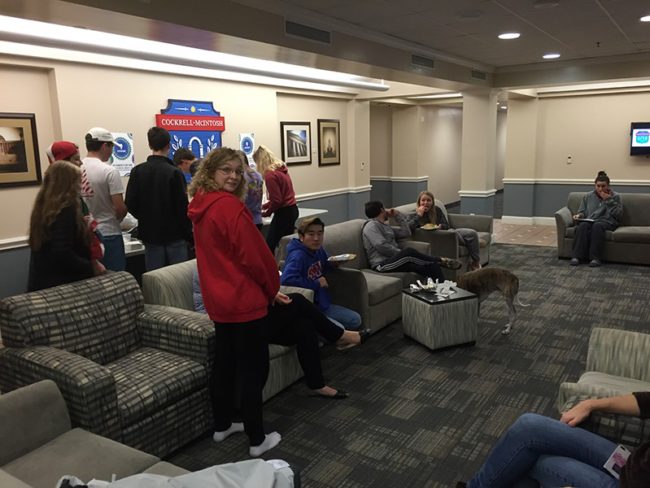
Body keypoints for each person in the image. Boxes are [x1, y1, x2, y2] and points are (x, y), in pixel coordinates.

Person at [188, 147, 283, 457]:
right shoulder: (229, 209)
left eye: (238, 171)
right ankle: (257, 440)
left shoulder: (201, 206)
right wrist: (272, 288)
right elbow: (256, 259)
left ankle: (222, 425)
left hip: (220, 302)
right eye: (225, 170)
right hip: (244, 300)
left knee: (225, 365)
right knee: (254, 370)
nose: (232, 176)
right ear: (210, 172)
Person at [193, 268, 369, 399]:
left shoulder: (233, 262)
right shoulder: (207, 267)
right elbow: (207, 309)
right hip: (237, 327)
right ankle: (339, 335)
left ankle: (317, 385)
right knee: (298, 301)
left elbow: (252, 290)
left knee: (304, 326)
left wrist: (271, 295)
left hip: (256, 318)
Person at [459, 392, 650, 487]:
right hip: (632, 462)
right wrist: (590, 404)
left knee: (535, 462)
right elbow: (645, 401)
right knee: (529, 426)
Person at [28, 161, 104, 291]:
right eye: (78, 181)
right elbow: (62, 252)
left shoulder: (42, 209)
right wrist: (90, 267)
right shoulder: (66, 210)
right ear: (68, 184)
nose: (80, 186)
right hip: (66, 283)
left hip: (44, 282)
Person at [125, 127, 193, 271]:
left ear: (149, 145)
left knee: (155, 280)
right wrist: (189, 236)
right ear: (168, 145)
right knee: (179, 279)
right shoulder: (174, 172)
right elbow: (182, 208)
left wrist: (145, 217)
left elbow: (130, 203)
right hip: (175, 234)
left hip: (150, 235)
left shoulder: (137, 171)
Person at [281, 217, 362, 331]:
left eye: (320, 234)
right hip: (308, 306)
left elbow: (324, 265)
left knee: (355, 320)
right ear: (301, 237)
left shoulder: (319, 250)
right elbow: (286, 280)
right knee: (339, 330)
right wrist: (316, 283)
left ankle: (322, 331)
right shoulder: (298, 256)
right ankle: (314, 329)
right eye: (311, 234)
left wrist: (334, 264)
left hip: (322, 305)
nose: (316, 238)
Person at [362, 200, 462, 283]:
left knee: (431, 266)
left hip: (395, 260)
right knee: (408, 252)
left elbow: (406, 232)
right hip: (381, 264)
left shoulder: (385, 226)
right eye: (384, 208)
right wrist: (401, 254)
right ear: (381, 210)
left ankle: (442, 293)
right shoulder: (371, 226)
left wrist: (397, 215)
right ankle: (440, 260)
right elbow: (381, 245)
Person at [46, 140, 104, 270]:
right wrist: (91, 267)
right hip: (65, 276)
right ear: (64, 164)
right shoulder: (62, 204)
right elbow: (62, 252)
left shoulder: (69, 196)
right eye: (76, 159)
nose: (81, 162)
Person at [81, 127, 128, 271]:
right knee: (116, 280)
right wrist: (118, 218)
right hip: (109, 233)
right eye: (111, 146)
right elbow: (119, 208)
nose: (112, 151)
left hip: (85, 235)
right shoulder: (109, 171)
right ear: (104, 145)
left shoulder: (75, 169)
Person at [408, 190, 481, 271]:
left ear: (432, 202)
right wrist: (419, 215)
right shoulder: (414, 214)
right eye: (423, 200)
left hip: (447, 232)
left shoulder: (437, 210)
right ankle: (471, 243)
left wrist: (441, 227)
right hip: (438, 238)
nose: (426, 203)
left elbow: (446, 225)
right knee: (453, 233)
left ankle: (476, 263)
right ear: (419, 202)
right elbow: (409, 227)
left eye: (428, 200)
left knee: (472, 233)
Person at [570, 170, 622, 268]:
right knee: (583, 225)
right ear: (595, 185)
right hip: (590, 220)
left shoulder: (615, 196)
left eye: (603, 186)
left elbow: (618, 215)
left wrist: (608, 200)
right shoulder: (588, 196)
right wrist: (579, 216)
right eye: (598, 186)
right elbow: (582, 211)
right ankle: (576, 256)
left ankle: (595, 258)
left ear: (608, 186)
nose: (600, 189)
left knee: (597, 226)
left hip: (607, 222)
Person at [253, 144, 298, 252]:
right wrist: (266, 206)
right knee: (287, 243)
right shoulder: (281, 170)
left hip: (284, 213)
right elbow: (281, 196)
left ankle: (273, 268)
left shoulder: (270, 175)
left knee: (270, 245)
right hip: (292, 209)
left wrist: (266, 213)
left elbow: (277, 200)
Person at [238, 150, 264, 231]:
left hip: (246, 220)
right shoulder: (258, 175)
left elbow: (241, 200)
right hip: (258, 219)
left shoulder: (242, 178)